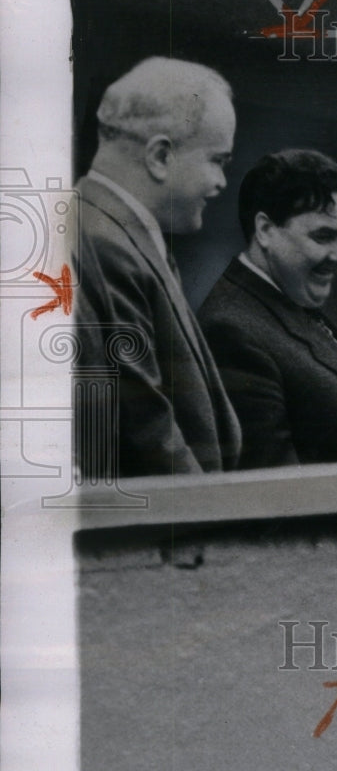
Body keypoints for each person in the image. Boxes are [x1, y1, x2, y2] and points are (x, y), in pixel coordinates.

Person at [74, 56, 242, 477]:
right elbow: (147, 430)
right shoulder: (102, 243)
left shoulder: (117, 234)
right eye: (217, 161)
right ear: (161, 156)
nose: (222, 182)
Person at [198, 149, 337, 469]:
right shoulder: (232, 330)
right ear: (265, 230)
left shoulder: (289, 300)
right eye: (324, 236)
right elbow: (280, 498)